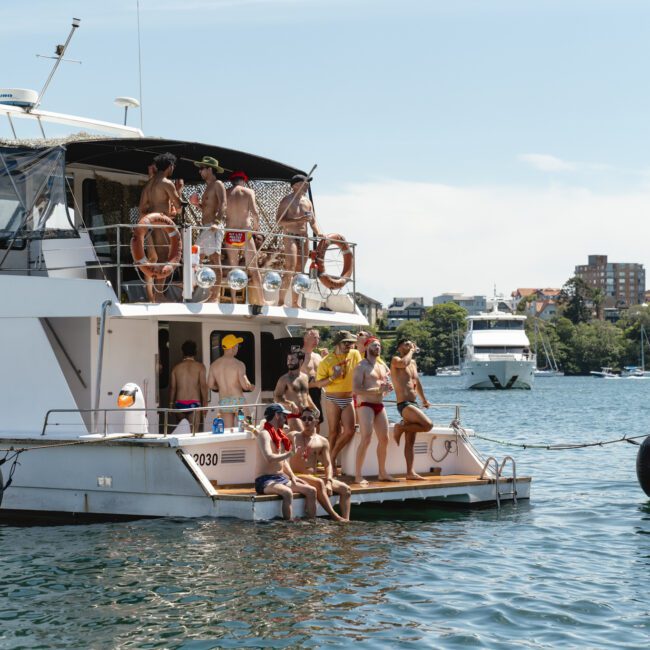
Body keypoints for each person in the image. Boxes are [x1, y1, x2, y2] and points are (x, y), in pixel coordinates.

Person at [255, 403, 317, 520]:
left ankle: (311, 524)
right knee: (287, 492)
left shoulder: (280, 435)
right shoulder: (264, 434)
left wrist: (293, 476)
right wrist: (289, 454)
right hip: (264, 480)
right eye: (284, 416)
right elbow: (269, 457)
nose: (286, 419)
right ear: (277, 416)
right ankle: (288, 526)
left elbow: (284, 462)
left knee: (311, 490)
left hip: (281, 478)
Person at [290, 406, 351, 521]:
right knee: (318, 483)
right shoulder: (293, 436)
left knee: (346, 489)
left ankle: (346, 519)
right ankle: (335, 516)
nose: (306, 421)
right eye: (303, 419)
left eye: (309, 418)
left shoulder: (322, 441)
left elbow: (328, 464)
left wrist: (329, 481)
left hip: (313, 477)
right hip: (297, 475)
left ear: (316, 421)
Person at [138, 152, 185, 302]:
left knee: (152, 259)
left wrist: (152, 214)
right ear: (170, 166)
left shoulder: (149, 184)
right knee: (163, 258)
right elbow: (178, 206)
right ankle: (159, 295)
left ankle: (151, 296)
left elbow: (141, 208)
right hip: (161, 225)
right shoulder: (166, 183)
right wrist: (180, 191)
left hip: (149, 225)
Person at [314, 330, 362, 470]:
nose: (349, 345)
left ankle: (332, 455)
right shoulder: (326, 361)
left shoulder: (355, 354)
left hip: (348, 398)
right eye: (346, 343)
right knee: (334, 431)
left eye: (351, 343)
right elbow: (319, 384)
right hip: (332, 398)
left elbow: (360, 371)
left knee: (349, 431)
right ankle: (330, 463)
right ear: (337, 344)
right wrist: (333, 377)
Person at [352, 337, 397, 485]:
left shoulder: (381, 366)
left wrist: (387, 389)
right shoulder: (361, 366)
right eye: (374, 345)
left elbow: (382, 389)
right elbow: (356, 389)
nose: (377, 347)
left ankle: (382, 473)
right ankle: (358, 475)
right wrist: (378, 389)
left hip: (379, 404)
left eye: (379, 345)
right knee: (366, 438)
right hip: (365, 404)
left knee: (384, 439)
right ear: (366, 347)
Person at [276, 174, 323, 307]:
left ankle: (295, 302)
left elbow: (313, 222)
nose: (307, 184)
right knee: (290, 268)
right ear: (295, 185)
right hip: (290, 235)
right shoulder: (287, 200)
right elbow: (279, 221)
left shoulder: (308, 202)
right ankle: (281, 302)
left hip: (304, 237)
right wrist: (298, 220)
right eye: (305, 182)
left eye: (308, 182)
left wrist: (319, 234)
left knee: (299, 270)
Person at [390, 338, 432, 480]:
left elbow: (416, 382)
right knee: (427, 425)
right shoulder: (396, 360)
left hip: (413, 403)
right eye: (406, 344)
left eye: (411, 344)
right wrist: (412, 351)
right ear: (399, 347)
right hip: (404, 404)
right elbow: (403, 363)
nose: (410, 346)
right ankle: (400, 428)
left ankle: (410, 473)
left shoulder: (413, 363)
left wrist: (424, 400)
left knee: (410, 441)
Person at [189, 156, 227, 302]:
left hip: (213, 227)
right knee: (195, 257)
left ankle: (215, 295)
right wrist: (197, 204)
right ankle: (191, 289)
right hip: (206, 227)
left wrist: (217, 222)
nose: (200, 172)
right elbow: (207, 208)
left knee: (214, 260)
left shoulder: (218, 184)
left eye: (202, 168)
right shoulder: (208, 187)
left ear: (210, 169)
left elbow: (224, 204)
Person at [224, 171, 264, 305]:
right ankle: (262, 300)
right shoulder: (248, 192)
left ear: (232, 181)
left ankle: (234, 300)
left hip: (230, 233)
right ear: (243, 181)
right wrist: (256, 228)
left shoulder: (225, 192)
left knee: (233, 268)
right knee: (254, 268)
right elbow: (255, 213)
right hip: (244, 233)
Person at [207, 334, 254, 429]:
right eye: (237, 346)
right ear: (232, 347)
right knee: (248, 427)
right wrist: (251, 386)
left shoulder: (214, 365)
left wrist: (219, 386)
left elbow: (210, 385)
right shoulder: (239, 364)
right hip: (238, 401)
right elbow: (245, 385)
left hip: (224, 401)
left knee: (228, 431)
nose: (238, 348)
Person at [169, 340, 208, 432]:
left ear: (182, 352)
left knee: (182, 432)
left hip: (179, 403)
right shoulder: (200, 367)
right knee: (193, 432)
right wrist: (205, 404)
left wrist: (170, 404)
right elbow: (203, 386)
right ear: (195, 352)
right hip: (194, 404)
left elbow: (173, 388)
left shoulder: (176, 368)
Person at [273, 350, 317, 432]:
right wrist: (290, 403)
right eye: (288, 359)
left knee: (311, 439)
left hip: (306, 414)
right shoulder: (284, 379)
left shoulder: (305, 377)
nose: (289, 362)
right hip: (293, 415)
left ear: (301, 361)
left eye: (292, 359)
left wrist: (314, 407)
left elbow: (306, 395)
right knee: (304, 437)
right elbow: (276, 397)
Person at [301, 328, 324, 431]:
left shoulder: (318, 356)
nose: (317, 340)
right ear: (306, 339)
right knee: (306, 424)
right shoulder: (299, 356)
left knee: (316, 421)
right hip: (304, 394)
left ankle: (316, 445)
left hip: (316, 394)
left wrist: (326, 359)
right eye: (314, 337)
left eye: (318, 338)